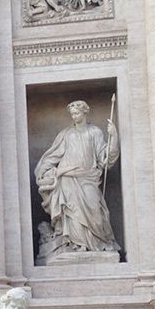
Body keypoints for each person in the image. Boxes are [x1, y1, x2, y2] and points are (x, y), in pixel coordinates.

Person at [34, 100, 119, 256]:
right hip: (67, 178)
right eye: (72, 114)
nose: (74, 116)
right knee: (72, 213)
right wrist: (44, 171)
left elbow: (105, 158)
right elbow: (53, 156)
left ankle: (96, 243)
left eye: (77, 113)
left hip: (88, 177)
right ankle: (75, 244)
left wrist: (113, 137)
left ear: (85, 112)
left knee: (95, 211)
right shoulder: (66, 134)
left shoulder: (95, 132)